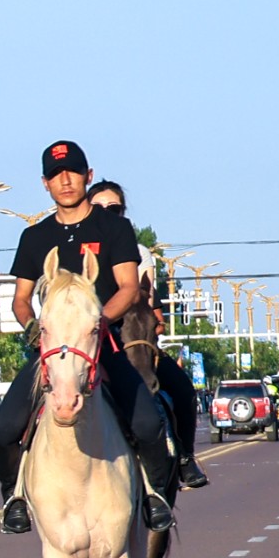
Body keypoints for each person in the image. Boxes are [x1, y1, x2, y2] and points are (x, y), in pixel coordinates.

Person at [0, 141, 175, 533]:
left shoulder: (115, 228)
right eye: (56, 175)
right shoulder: (35, 237)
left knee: (147, 422)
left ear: (88, 176)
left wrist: (98, 321)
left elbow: (127, 286)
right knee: (4, 428)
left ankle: (155, 494)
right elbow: (21, 300)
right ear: (45, 183)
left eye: (73, 172)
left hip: (101, 347)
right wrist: (34, 329)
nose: (66, 180)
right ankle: (13, 497)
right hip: (53, 353)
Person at [87, 179, 207, 489]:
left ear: (124, 212)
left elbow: (146, 298)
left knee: (182, 390)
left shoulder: (139, 252)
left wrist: (145, 308)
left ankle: (184, 457)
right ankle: (23, 482)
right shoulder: (80, 250)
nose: (107, 213)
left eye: (114, 208)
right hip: (88, 342)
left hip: (132, 337)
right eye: (98, 208)